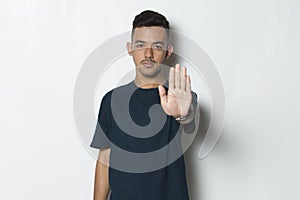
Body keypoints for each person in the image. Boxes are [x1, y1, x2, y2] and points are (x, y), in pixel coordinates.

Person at [90, 10, 198, 200]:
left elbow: (189, 125)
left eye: (157, 46)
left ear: (168, 51)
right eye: (141, 45)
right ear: (130, 48)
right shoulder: (111, 100)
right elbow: (105, 159)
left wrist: (182, 115)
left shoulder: (182, 98)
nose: (148, 54)